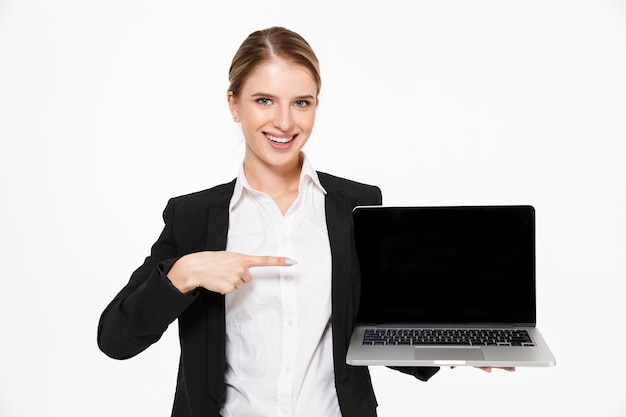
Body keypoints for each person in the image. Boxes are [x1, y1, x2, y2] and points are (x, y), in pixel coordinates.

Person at [98, 26, 458, 417]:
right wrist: (184, 273)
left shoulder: (356, 205)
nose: (285, 122)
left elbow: (376, 329)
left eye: (301, 103)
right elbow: (116, 338)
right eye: (265, 100)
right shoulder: (193, 217)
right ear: (234, 104)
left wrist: (457, 345)